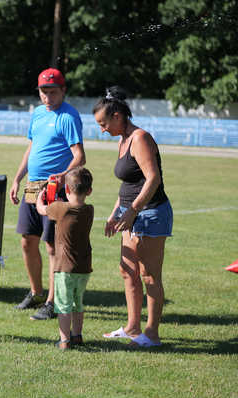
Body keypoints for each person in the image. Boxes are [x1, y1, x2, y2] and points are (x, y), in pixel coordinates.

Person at [94, 87, 172, 348]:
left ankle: (151, 334)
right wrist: (114, 213)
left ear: (117, 116)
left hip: (150, 213)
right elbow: (129, 183)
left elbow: (153, 179)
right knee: (127, 271)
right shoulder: (122, 139)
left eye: (104, 124)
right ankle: (132, 327)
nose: (102, 130)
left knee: (149, 275)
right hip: (130, 214)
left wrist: (133, 211)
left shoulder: (140, 138)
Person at [10, 68, 86, 320]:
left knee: (52, 246)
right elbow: (31, 147)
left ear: (63, 90)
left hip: (55, 189)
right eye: (43, 92)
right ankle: (36, 292)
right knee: (26, 240)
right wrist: (18, 178)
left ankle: (52, 302)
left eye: (53, 92)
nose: (47, 97)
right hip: (33, 186)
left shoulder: (69, 116)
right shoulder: (38, 113)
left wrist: (63, 176)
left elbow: (79, 156)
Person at [36, 167, 94, 350]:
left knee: (63, 305)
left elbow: (42, 209)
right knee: (78, 302)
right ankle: (77, 335)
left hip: (64, 269)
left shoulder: (59, 209)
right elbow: (70, 208)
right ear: (89, 191)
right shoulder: (89, 210)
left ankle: (64, 340)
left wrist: (41, 196)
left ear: (67, 190)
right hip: (83, 267)